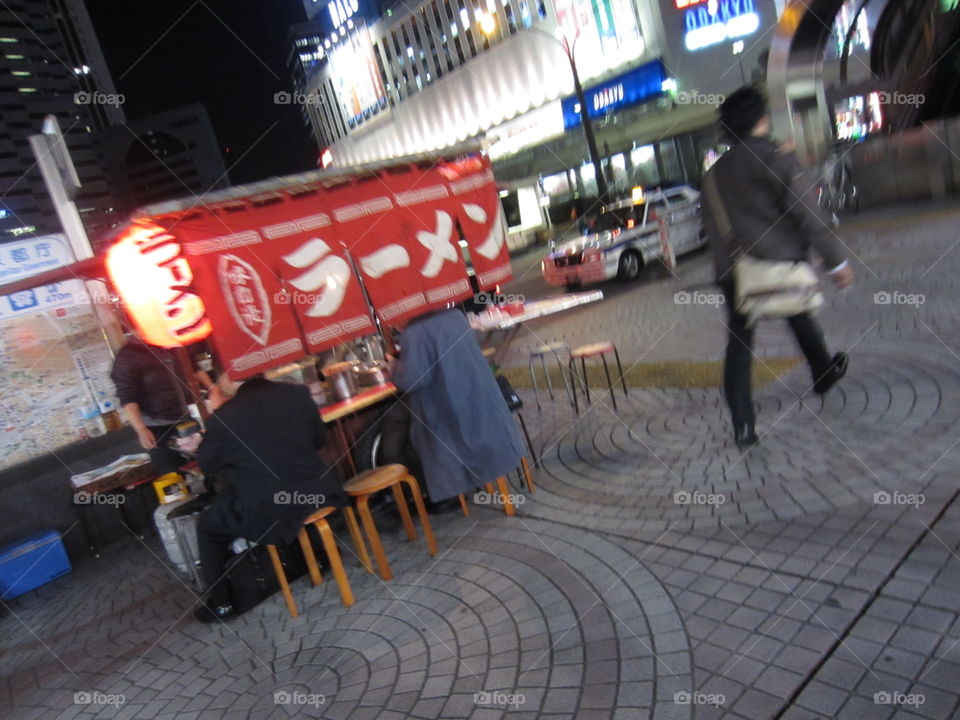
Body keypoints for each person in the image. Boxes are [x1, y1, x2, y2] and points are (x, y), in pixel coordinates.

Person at [701, 87, 855, 450]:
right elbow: (808, 213)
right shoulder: (775, 158)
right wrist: (837, 261)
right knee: (798, 312)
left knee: (739, 344)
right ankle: (822, 373)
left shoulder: (712, 175)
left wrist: (728, 268)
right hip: (780, 260)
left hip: (736, 271)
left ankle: (743, 425)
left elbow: (710, 227)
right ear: (761, 120)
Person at [191, 376, 348, 622]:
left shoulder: (224, 417)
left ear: (232, 382)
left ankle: (221, 604)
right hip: (319, 489)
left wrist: (207, 430)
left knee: (207, 525)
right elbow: (320, 440)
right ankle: (321, 556)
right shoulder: (297, 392)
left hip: (272, 505)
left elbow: (207, 464)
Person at [387, 308, 525, 503]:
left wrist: (393, 367)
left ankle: (449, 500)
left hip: (448, 407)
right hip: (478, 397)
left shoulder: (414, 332)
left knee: (417, 433)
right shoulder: (455, 316)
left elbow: (412, 380)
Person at [110, 334, 192, 475]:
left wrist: (214, 390)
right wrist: (141, 429)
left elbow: (193, 368)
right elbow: (127, 397)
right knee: (174, 475)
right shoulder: (127, 357)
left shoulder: (171, 343)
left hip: (191, 417)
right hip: (159, 427)